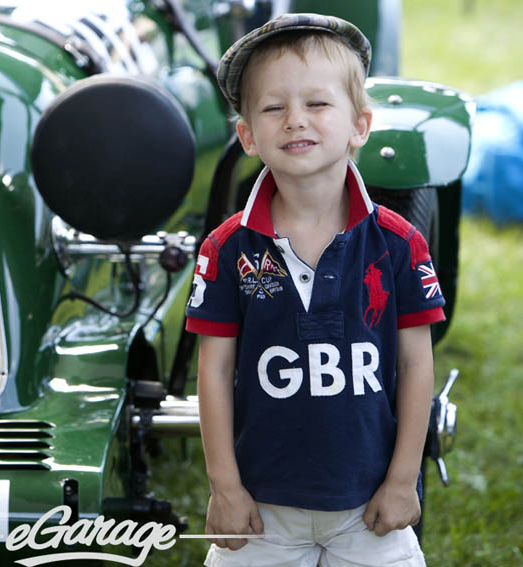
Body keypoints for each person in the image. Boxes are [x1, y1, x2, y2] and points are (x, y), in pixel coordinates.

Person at [185, 12, 446, 567]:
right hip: (262, 506)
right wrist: (225, 488)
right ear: (248, 136)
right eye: (274, 107)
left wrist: (403, 482)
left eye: (318, 104)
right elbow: (212, 370)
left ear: (360, 124)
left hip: (367, 505)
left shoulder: (399, 244)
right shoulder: (226, 248)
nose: (295, 121)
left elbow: (417, 365)